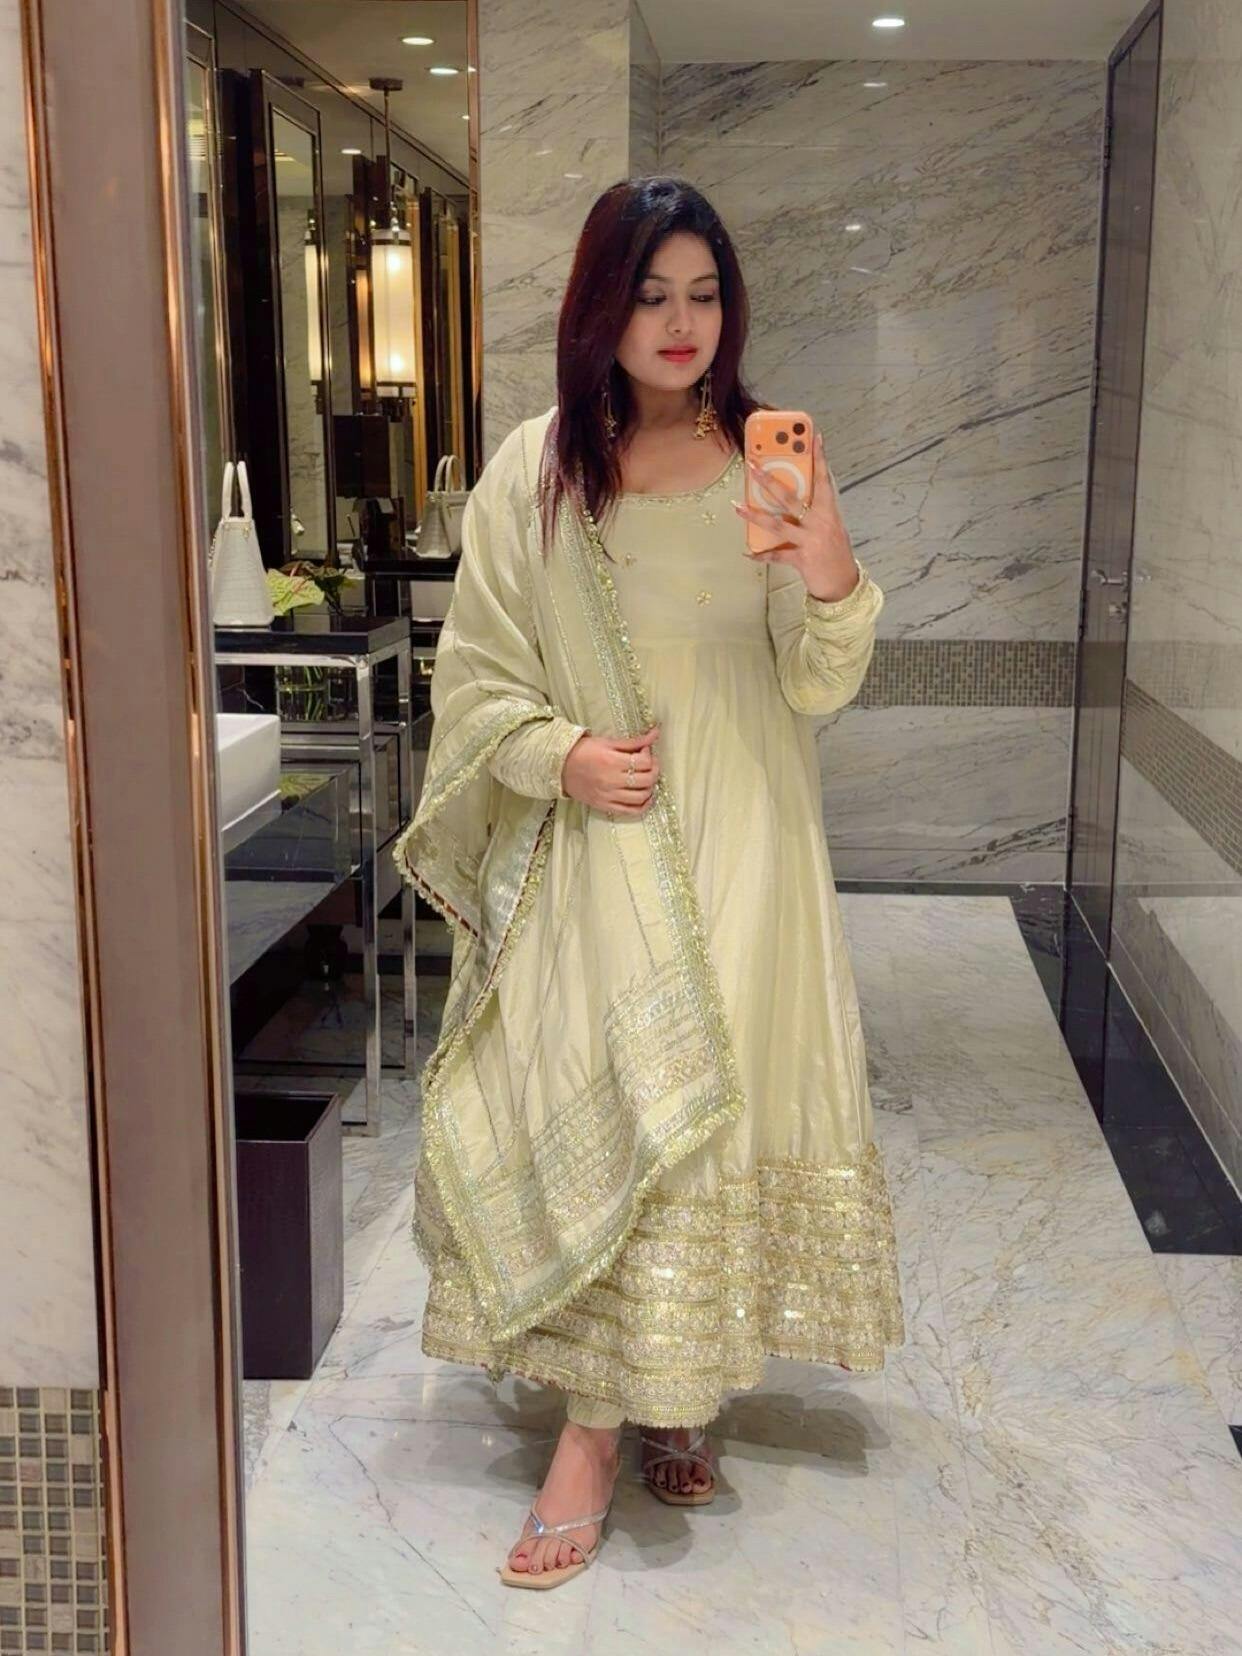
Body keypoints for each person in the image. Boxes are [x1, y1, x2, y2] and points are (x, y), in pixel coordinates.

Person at [393, 175, 905, 1591]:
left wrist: (827, 560)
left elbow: (816, 682)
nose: (681, 324)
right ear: (600, 308)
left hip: (747, 840)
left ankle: (668, 1390)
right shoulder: (536, 470)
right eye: (650, 295)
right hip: (602, 846)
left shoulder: (769, 460)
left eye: (704, 295)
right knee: (622, 1098)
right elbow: (474, 676)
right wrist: (558, 756)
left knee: (706, 1120)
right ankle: (593, 1425)